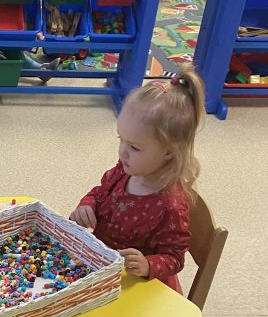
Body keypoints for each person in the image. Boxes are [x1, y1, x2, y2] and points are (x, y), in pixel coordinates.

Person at [69, 67, 205, 293]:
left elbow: (174, 258)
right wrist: (87, 205)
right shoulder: (124, 170)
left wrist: (147, 264)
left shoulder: (170, 207)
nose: (122, 152)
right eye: (121, 139)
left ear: (169, 152)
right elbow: (100, 193)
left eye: (134, 147)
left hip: (140, 286)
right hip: (105, 269)